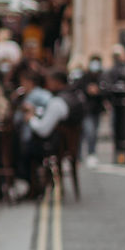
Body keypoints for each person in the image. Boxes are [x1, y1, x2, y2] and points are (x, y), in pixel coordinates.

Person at [14, 67, 85, 195]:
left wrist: (31, 118)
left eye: (49, 81)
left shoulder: (57, 102)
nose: (46, 84)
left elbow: (43, 130)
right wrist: (37, 112)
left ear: (57, 82)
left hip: (53, 147)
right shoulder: (74, 96)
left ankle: (34, 187)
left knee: (22, 148)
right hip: (66, 145)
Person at [102, 44, 125, 165]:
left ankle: (124, 156)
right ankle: (119, 155)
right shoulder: (111, 71)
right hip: (116, 106)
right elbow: (106, 88)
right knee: (117, 131)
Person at [74, 54, 106, 167]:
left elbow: (107, 91)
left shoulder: (102, 76)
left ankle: (91, 154)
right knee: (88, 132)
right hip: (85, 110)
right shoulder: (84, 76)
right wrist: (87, 90)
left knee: (93, 133)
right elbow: (77, 88)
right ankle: (80, 156)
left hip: (96, 110)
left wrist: (98, 91)